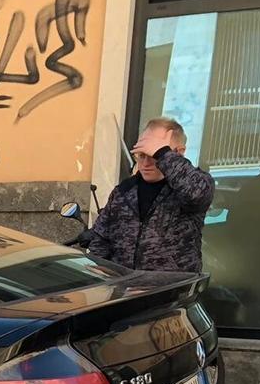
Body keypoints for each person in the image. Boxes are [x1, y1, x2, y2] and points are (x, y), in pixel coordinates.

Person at [87, 117, 215, 273]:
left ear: (178, 153)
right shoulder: (124, 191)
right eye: (141, 155)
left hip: (171, 292)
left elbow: (196, 195)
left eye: (153, 155)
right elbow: (101, 240)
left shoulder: (194, 185)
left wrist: (163, 154)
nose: (146, 163)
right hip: (125, 291)